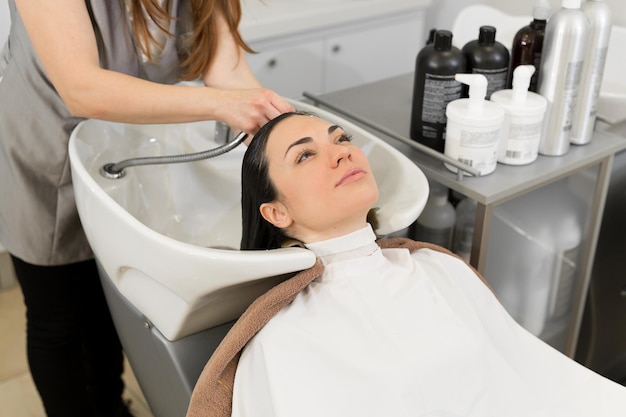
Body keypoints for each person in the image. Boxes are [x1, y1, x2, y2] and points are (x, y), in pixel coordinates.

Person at [186, 112, 626, 417]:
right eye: (305, 155)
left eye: (340, 139)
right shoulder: (280, 340)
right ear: (277, 214)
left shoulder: (439, 271)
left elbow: (534, 384)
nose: (341, 153)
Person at [0, 0, 293, 416]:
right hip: (46, 148)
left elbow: (226, 71)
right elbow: (81, 88)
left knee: (109, 301)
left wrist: (278, 130)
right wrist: (222, 104)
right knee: (58, 315)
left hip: (128, 146)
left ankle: (110, 404)